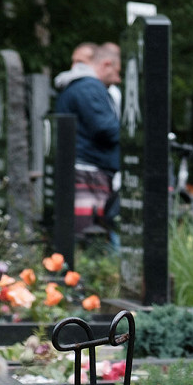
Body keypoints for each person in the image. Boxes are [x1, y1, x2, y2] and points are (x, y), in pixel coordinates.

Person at [55, 41, 121, 246]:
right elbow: (106, 129)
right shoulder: (89, 87)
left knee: (86, 233)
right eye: (117, 71)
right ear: (107, 64)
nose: (118, 78)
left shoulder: (79, 85)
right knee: (87, 237)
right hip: (88, 171)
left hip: (84, 167)